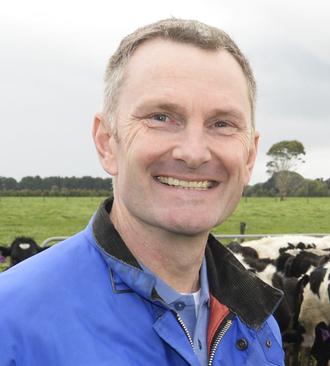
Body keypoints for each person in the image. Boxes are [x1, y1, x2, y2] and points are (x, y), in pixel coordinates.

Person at [0, 18, 284, 365]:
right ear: (107, 142)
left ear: (250, 155)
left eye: (222, 123)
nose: (193, 152)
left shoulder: (258, 325)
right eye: (161, 117)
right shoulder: (11, 323)